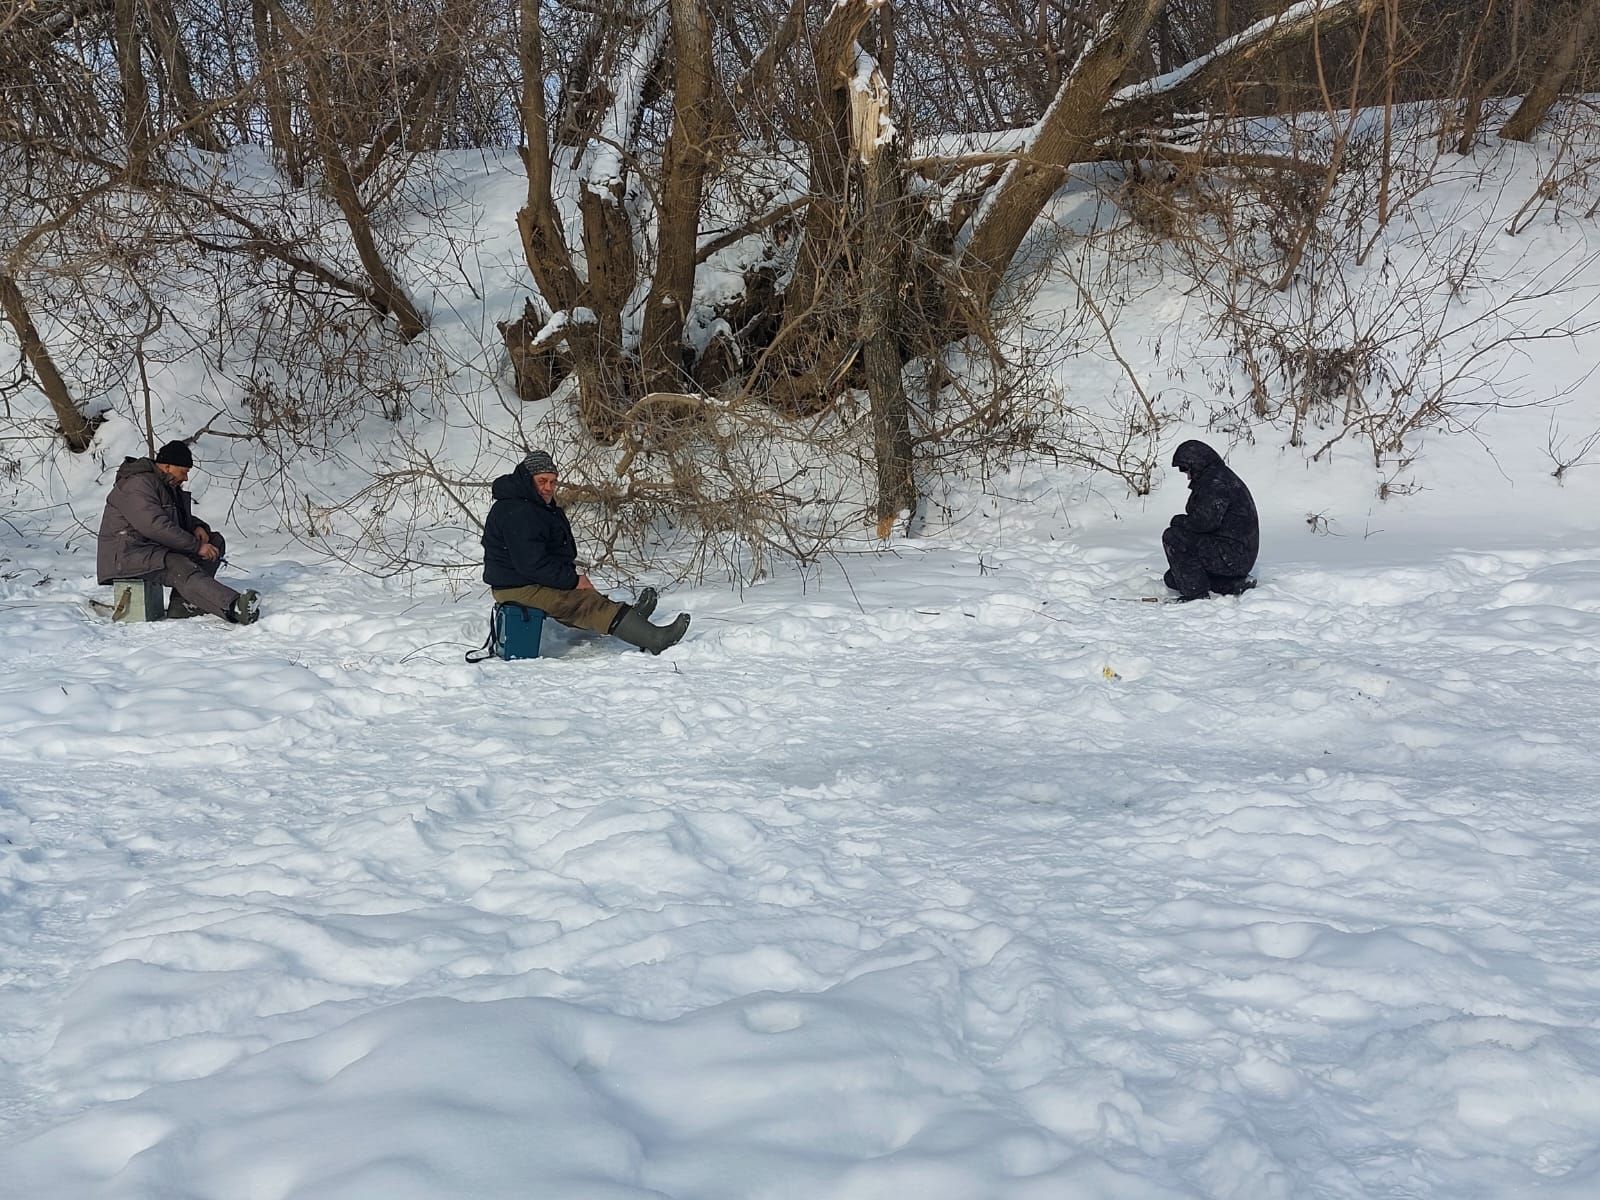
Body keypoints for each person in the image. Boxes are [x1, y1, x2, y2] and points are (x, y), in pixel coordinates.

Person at [482, 449, 689, 654]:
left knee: (582, 593)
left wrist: (570, 578)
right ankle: (655, 639)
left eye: (553, 482)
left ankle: (629, 622)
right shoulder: (518, 511)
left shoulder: (532, 505)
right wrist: (572, 580)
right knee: (582, 602)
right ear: (527, 479)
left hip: (526, 579)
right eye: (542, 480)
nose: (549, 487)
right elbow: (531, 563)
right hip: (516, 586)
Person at [97, 440, 260, 624]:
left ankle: (183, 604)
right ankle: (234, 606)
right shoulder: (137, 484)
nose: (186, 478)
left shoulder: (165, 485)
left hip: (151, 549)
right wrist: (197, 546)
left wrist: (198, 528)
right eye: (184, 472)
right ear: (167, 466)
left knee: (214, 541)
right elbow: (155, 525)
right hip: (128, 555)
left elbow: (176, 520)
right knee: (178, 566)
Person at [1162, 439, 1258, 602]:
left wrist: (1179, 521)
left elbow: (1205, 522)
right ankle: (1232, 584)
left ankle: (1196, 596)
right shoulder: (1216, 477)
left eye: (1186, 469)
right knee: (1174, 578)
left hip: (1233, 554)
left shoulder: (1216, 482)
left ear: (1196, 463)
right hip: (1234, 553)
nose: (1187, 476)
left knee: (1173, 537)